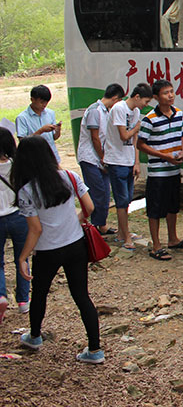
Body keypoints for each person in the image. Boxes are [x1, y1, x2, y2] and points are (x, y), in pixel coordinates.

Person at [13, 137, 103, 364]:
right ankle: (95, 350)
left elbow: (35, 229)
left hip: (47, 250)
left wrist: (22, 257)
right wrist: (76, 220)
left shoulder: (27, 190)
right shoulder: (70, 177)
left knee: (40, 294)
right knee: (82, 296)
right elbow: (90, 207)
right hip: (75, 245)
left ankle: (34, 336)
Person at [136, 79, 183, 261]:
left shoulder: (178, 114)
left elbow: (182, 134)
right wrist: (163, 155)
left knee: (172, 206)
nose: (170, 95)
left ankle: (173, 239)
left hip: (174, 170)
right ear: (156, 97)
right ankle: (156, 245)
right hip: (158, 171)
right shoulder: (149, 119)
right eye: (166, 93)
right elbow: (141, 144)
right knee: (155, 208)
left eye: (172, 91)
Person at [104, 83, 152, 250]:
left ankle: (122, 233)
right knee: (122, 201)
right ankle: (125, 236)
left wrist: (136, 162)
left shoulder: (136, 111)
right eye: (145, 101)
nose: (146, 105)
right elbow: (124, 134)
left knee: (127, 199)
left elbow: (134, 139)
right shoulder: (119, 108)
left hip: (128, 159)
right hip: (116, 160)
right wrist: (137, 127)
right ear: (137, 97)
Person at [76, 83, 124, 235]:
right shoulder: (95, 111)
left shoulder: (106, 111)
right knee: (98, 192)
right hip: (90, 158)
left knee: (104, 193)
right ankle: (91, 225)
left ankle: (100, 224)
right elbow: (95, 138)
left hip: (101, 157)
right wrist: (103, 157)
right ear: (115, 98)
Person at [0, 129, 28, 321]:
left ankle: (1, 295)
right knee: (22, 258)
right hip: (18, 215)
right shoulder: (17, 165)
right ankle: (23, 300)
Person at [15, 84, 61, 163]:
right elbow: (23, 142)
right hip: (34, 159)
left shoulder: (50, 113)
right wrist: (41, 131)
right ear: (32, 99)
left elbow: (54, 138)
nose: (44, 105)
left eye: (46, 102)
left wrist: (58, 131)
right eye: (42, 102)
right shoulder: (22, 118)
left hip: (51, 156)